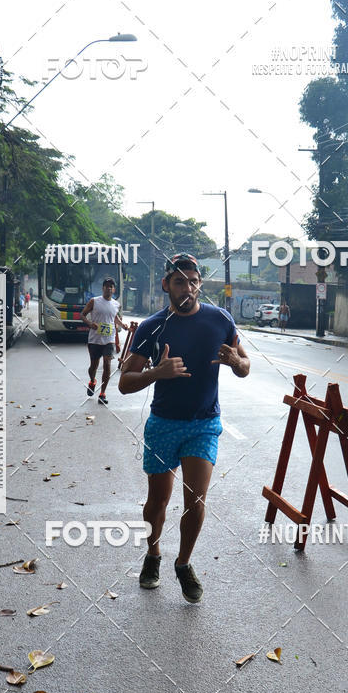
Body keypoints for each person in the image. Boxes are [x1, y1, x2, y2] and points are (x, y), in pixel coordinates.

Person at [119, 254, 250, 603]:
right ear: (166, 285)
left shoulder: (219, 319)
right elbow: (124, 383)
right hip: (163, 424)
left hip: (204, 424)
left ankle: (183, 563)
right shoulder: (151, 328)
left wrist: (236, 362)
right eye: (179, 281)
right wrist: (156, 374)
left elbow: (245, 364)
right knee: (158, 501)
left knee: (195, 500)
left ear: (199, 284)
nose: (187, 287)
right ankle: (153, 554)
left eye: (193, 281)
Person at [81, 278, 129, 404]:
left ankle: (102, 393)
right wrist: (90, 324)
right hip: (95, 339)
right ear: (102, 288)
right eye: (106, 286)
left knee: (107, 364)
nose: (108, 288)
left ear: (113, 289)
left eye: (111, 286)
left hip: (109, 339)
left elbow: (114, 318)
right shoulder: (94, 301)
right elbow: (82, 315)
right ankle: (92, 381)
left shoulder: (116, 304)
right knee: (94, 366)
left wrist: (122, 325)